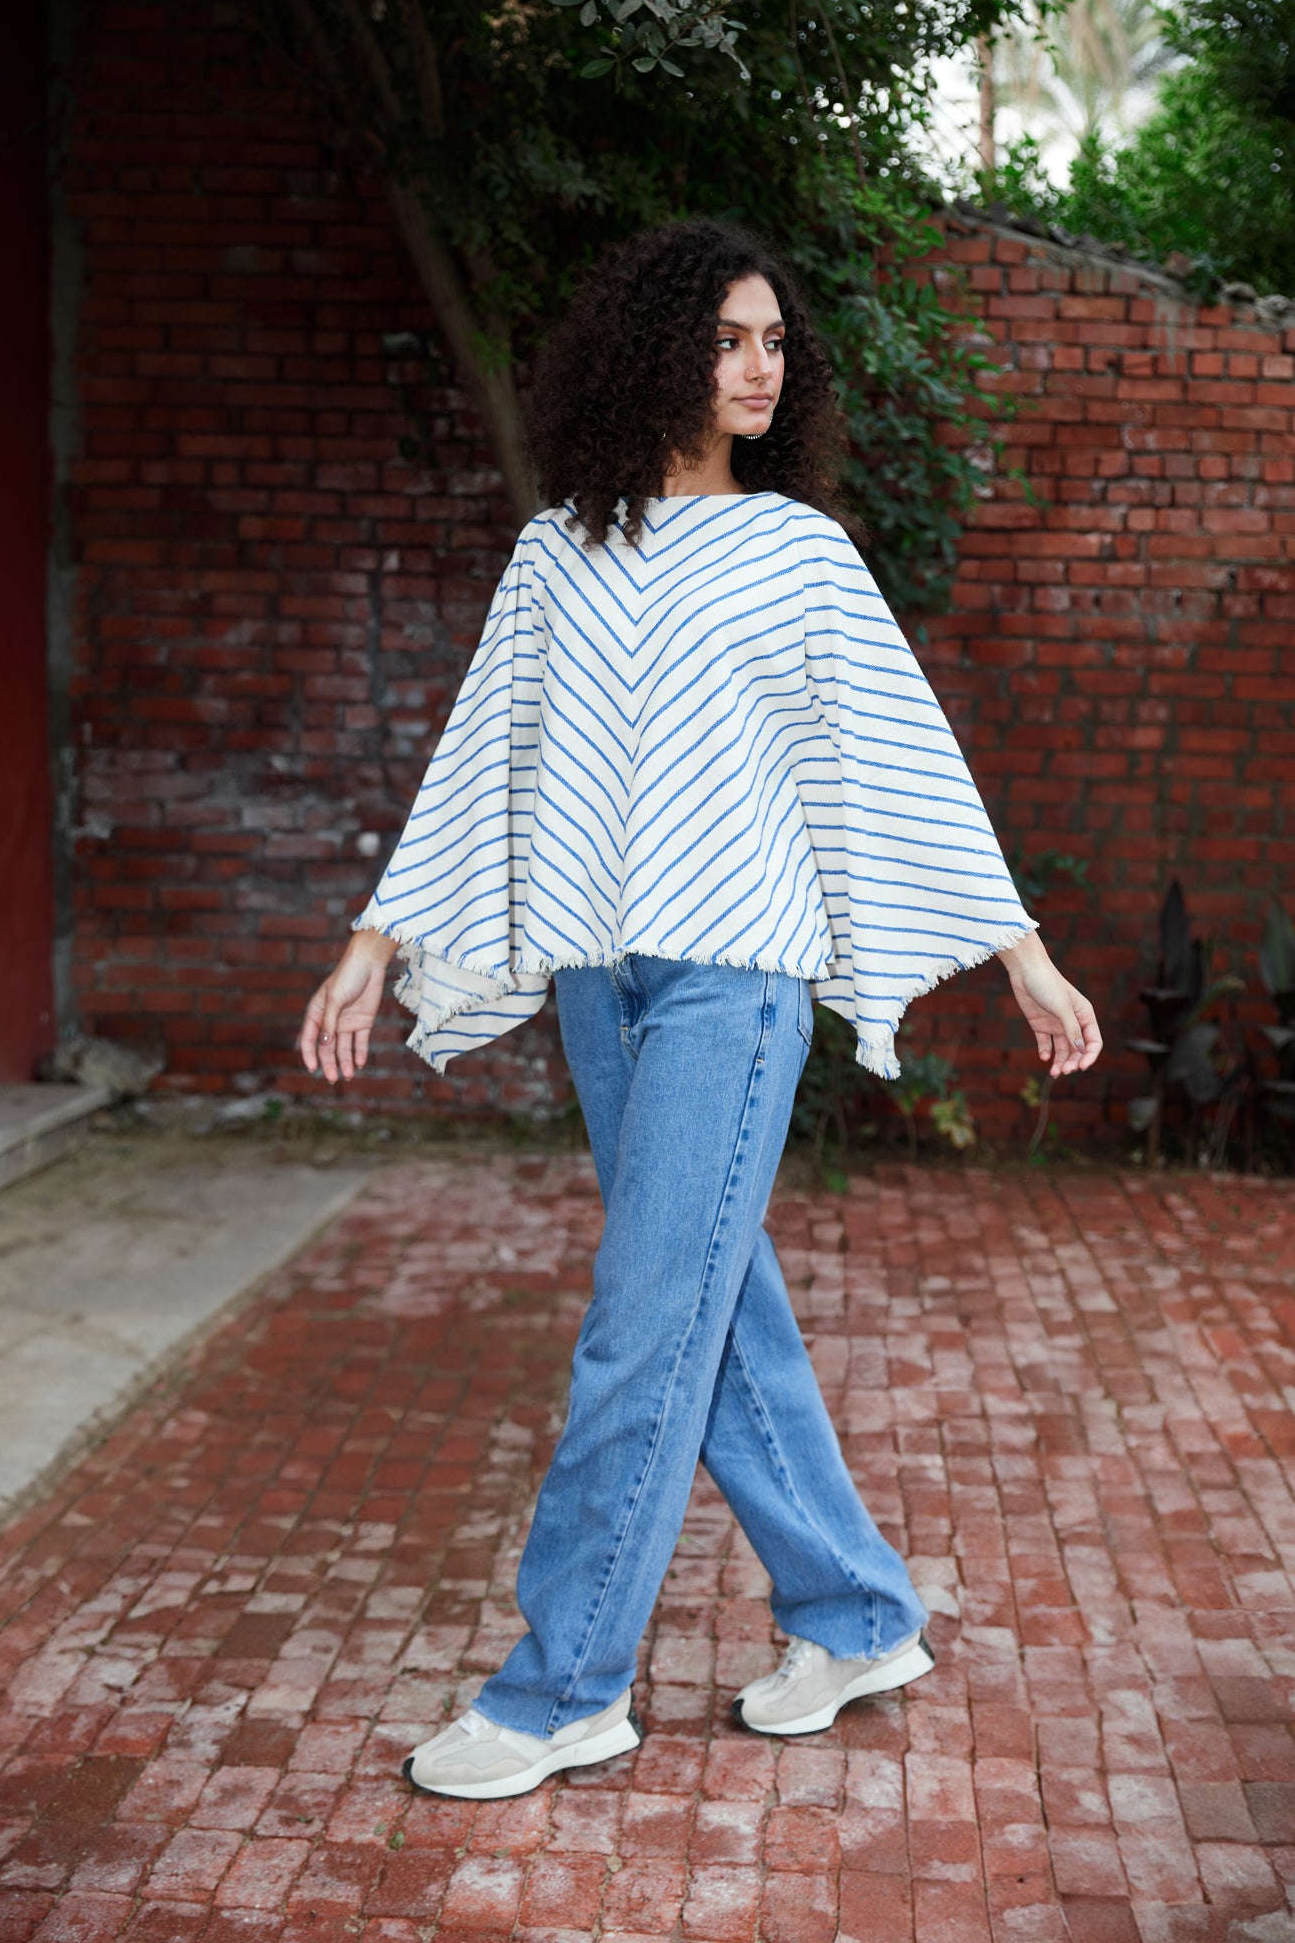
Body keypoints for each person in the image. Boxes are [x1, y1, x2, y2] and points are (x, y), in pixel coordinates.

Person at [299, 218, 1102, 1802]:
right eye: (727, 339)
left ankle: (561, 1689)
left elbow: (899, 762)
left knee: (637, 1329)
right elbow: (481, 762)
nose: (754, 368)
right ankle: (857, 1613)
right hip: (604, 983)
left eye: (774, 344)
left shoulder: (797, 554)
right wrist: (371, 944)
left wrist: (1020, 954)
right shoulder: (558, 555)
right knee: (711, 1318)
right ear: (653, 351)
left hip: (734, 984)